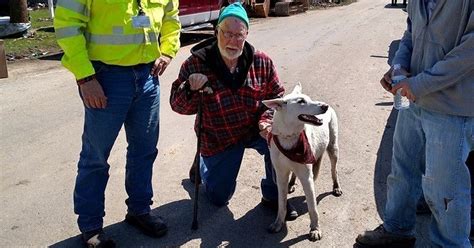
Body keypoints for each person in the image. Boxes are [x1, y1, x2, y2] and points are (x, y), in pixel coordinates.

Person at [54, 0, 180, 246]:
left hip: (147, 78)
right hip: (105, 79)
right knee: (96, 158)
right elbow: (67, 25)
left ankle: (139, 210)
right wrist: (85, 76)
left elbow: (171, 18)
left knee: (144, 151)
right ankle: (91, 227)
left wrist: (167, 51)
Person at [356, 1, 473, 247]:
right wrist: (398, 68)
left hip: (452, 107)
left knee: (445, 189)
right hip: (414, 100)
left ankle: (449, 244)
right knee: (402, 171)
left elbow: (469, 52)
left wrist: (418, 84)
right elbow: (410, 34)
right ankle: (397, 231)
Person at [170, 2, 297, 220]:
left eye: (239, 35)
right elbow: (178, 106)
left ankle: (274, 195)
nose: (232, 40)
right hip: (220, 137)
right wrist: (190, 88)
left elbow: (277, 98)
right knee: (219, 198)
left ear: (247, 34)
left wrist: (266, 123)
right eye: (227, 33)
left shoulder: (261, 61)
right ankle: (202, 165)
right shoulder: (196, 63)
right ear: (216, 31)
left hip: (255, 129)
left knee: (280, 140)